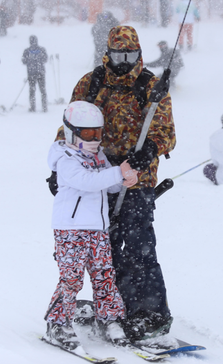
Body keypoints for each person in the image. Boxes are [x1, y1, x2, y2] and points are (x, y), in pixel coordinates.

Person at [55, 25, 176, 342]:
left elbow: (166, 134)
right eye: (118, 54)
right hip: (96, 178)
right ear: (106, 53)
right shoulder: (91, 83)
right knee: (102, 251)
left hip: (138, 180)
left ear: (139, 54)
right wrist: (59, 168)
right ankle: (114, 307)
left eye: (131, 55)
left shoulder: (150, 86)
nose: (124, 62)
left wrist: (148, 151)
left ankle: (150, 313)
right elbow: (70, 124)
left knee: (139, 247)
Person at [45, 101, 138, 349]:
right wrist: (118, 172)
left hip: (98, 229)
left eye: (98, 132)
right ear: (72, 132)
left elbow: (108, 185)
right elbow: (85, 181)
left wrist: (125, 179)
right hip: (71, 229)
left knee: (104, 275)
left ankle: (110, 319)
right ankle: (58, 323)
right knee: (71, 278)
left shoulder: (99, 157)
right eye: (88, 133)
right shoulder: (65, 157)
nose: (94, 138)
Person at [22, 35, 48, 112]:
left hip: (31, 73)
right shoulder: (41, 49)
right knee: (42, 90)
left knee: (32, 91)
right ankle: (44, 107)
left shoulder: (27, 51)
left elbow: (24, 61)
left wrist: (30, 61)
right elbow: (45, 59)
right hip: (41, 73)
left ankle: (33, 107)